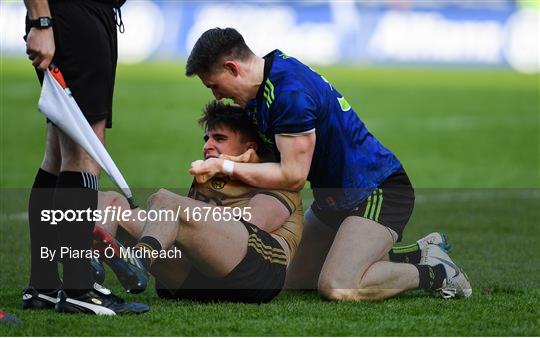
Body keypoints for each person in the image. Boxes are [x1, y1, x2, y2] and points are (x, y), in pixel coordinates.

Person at [186, 28, 472, 300]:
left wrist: (225, 168)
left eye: (214, 85)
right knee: (282, 279)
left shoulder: (289, 94)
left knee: (337, 286)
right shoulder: (264, 85)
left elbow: (293, 176)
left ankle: (438, 272)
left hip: (376, 190)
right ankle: (415, 253)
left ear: (233, 68)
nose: (217, 96)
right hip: (333, 201)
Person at [95, 101, 303, 303]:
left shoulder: (279, 178)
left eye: (219, 138)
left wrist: (185, 214)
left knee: (165, 201)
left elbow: (253, 224)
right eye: (207, 138)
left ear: (249, 147)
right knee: (110, 202)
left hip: (256, 275)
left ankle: (139, 259)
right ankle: (89, 280)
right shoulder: (211, 176)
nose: (207, 146)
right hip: (199, 274)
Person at [22, 0, 148, 314]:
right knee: (84, 150)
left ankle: (45, 285)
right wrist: (41, 22)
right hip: (75, 17)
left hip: (77, 16)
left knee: (58, 152)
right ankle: (79, 288)